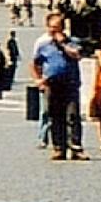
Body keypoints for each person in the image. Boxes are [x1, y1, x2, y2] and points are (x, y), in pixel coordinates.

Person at [31, 12, 85, 161]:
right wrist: (38, 80)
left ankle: (76, 147)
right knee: (55, 117)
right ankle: (59, 148)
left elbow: (76, 55)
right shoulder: (43, 44)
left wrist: (61, 44)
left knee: (73, 115)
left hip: (70, 83)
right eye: (53, 28)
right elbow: (35, 63)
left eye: (58, 28)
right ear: (48, 27)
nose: (55, 31)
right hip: (52, 85)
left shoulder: (72, 41)